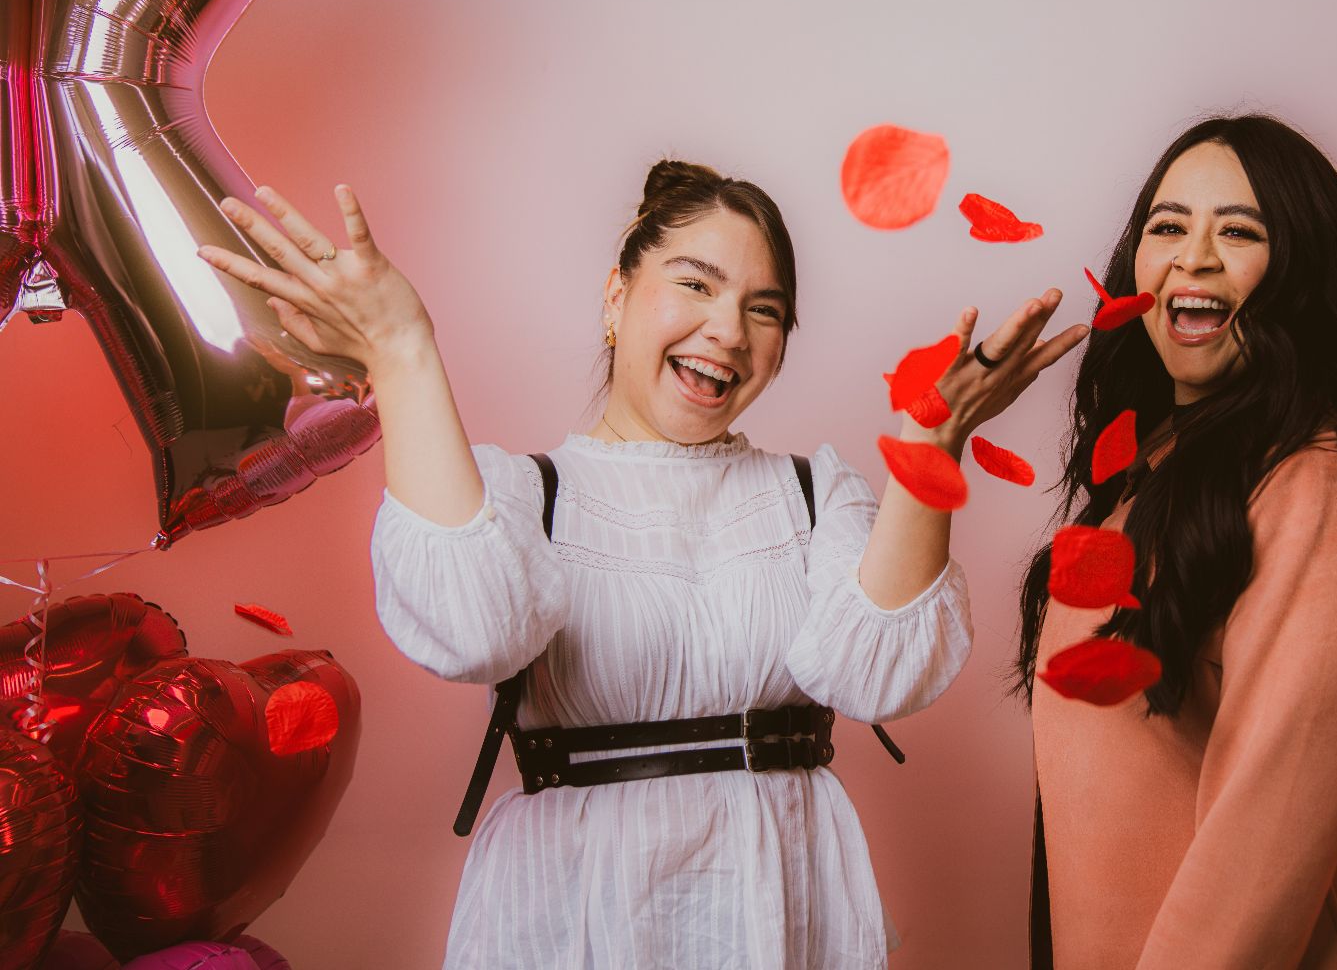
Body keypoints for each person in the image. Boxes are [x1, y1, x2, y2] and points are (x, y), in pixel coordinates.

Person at [198, 159, 1087, 969]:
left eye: (764, 309)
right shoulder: (521, 495)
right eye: (694, 284)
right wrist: (402, 351)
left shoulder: (819, 496)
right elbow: (469, 630)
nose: (729, 332)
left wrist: (933, 444)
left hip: (781, 905)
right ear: (617, 297)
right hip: (574, 914)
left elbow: (881, 676)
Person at [1017, 116, 1337, 968]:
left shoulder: (1323, 481)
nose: (1195, 257)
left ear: (1299, 271)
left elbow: (1266, 831)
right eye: (1168, 225)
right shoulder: (1153, 469)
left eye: (1241, 232)